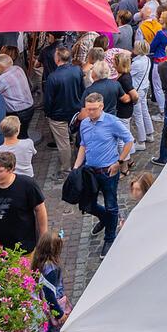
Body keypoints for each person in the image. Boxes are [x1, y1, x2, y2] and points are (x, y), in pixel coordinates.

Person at [73, 93, 134, 257]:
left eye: (93, 109)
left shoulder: (112, 122)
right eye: (88, 109)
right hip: (90, 171)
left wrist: (120, 163)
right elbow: (83, 145)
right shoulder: (84, 123)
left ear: (101, 106)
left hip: (108, 171)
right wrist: (76, 166)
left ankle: (110, 237)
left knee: (111, 204)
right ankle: (107, 219)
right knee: (87, 204)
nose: (90, 112)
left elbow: (129, 140)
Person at [44, 46, 85, 176]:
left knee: (63, 143)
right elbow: (82, 90)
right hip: (75, 111)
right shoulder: (77, 70)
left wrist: (48, 114)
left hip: (58, 114)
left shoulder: (53, 77)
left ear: (57, 59)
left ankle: (66, 169)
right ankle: (78, 162)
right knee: (76, 138)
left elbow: (48, 99)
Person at [0, 54, 36, 137]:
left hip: (18, 112)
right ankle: (26, 146)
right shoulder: (18, 69)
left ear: (0, 66)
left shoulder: (2, 79)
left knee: (16, 137)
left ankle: (24, 148)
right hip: (29, 107)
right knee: (22, 134)